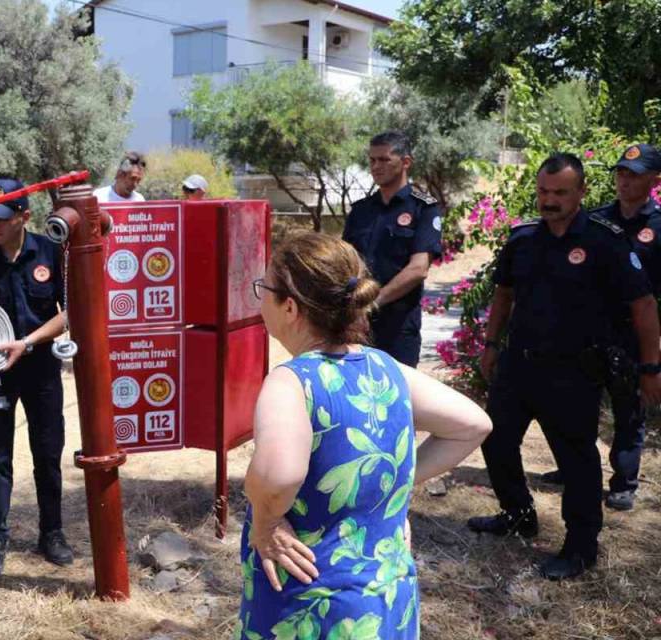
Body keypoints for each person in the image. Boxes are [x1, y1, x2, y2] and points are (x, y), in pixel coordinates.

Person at [239, 232, 490, 638]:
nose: (260, 298)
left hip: (312, 603)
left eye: (264, 288)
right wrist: (392, 487)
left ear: (289, 307)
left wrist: (266, 522)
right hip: (385, 600)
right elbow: (472, 425)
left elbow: (279, 476)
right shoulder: (386, 369)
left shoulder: (292, 381)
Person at [468, 153, 661, 580]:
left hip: (573, 372)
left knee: (576, 461)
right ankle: (518, 515)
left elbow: (644, 306)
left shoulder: (604, 241)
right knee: (495, 441)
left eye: (559, 192)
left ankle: (581, 546)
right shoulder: (523, 239)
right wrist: (491, 344)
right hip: (518, 366)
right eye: (543, 191)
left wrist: (651, 367)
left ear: (581, 193)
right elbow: (503, 295)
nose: (549, 200)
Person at [0, 177, 73, 577]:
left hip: (40, 367)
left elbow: (68, 312)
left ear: (25, 216)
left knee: (47, 451)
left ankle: (52, 532)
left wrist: (29, 341)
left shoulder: (51, 251)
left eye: (3, 218)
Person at [542, 144, 661, 511]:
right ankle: (574, 467)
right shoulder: (595, 219)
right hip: (590, 330)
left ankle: (624, 481)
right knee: (577, 403)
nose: (625, 181)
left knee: (628, 409)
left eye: (635, 174)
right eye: (621, 173)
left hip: (634, 332)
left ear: (654, 180)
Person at [341, 131, 442, 366]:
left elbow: (418, 269)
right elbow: (345, 262)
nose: (376, 166)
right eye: (372, 160)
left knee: (396, 398)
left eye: (384, 160)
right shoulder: (361, 210)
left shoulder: (423, 209)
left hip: (398, 330)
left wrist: (372, 304)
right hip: (355, 327)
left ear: (405, 162)